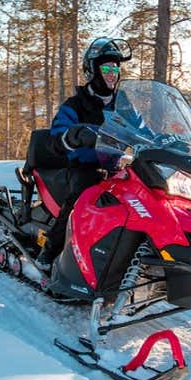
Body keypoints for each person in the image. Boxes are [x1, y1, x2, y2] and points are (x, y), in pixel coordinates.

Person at [35, 37, 132, 272]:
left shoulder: (123, 103)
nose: (112, 74)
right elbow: (58, 135)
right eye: (107, 68)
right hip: (85, 167)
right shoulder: (75, 104)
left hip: (116, 167)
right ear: (93, 70)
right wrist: (75, 136)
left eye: (116, 68)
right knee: (80, 199)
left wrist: (161, 139)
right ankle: (49, 252)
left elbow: (140, 127)